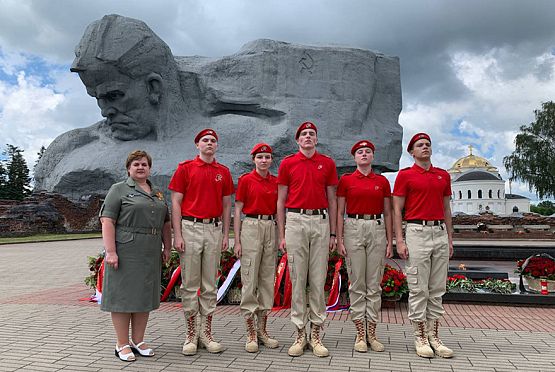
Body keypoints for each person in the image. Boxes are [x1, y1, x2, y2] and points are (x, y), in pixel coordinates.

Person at [99, 150, 172, 362]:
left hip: (150, 251)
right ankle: (121, 343)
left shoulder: (157, 192)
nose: (140, 167)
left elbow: (166, 223)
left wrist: (167, 248)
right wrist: (111, 251)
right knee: (123, 297)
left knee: (143, 296)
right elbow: (108, 221)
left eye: (144, 164)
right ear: (128, 168)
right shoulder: (119, 190)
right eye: (136, 164)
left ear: (149, 168)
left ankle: (138, 341)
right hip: (126, 251)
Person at [169, 128, 234, 355]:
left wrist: (226, 234)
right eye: (205, 140)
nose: (209, 143)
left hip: (214, 228)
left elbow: (227, 206)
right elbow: (176, 202)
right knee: (190, 284)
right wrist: (177, 234)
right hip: (190, 227)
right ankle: (190, 334)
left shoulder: (223, 172)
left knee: (209, 283)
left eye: (213, 141)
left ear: (217, 146)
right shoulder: (185, 169)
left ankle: (206, 333)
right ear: (197, 145)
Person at [276, 121, 338, 358]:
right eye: (304, 134)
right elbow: (280, 201)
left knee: (318, 277)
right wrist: (281, 234)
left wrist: (333, 232)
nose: (308, 137)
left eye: (312, 134)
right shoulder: (288, 163)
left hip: (320, 222)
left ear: (316, 139)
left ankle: (316, 334)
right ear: (298, 140)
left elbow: (332, 200)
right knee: (298, 279)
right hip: (296, 221)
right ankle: (299, 333)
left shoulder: (328, 164)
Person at [392, 133, 454, 358]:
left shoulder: (442, 176)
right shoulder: (405, 176)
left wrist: (449, 238)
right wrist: (400, 239)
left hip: (439, 232)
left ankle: (434, 336)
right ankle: (420, 337)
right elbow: (397, 209)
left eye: (428, 144)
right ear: (412, 152)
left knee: (437, 288)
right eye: (420, 145)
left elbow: (446, 208)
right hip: (416, 232)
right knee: (419, 287)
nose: (425, 147)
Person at [336, 140, 393, 353]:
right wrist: (340, 239)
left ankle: (372, 332)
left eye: (368, 151)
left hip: (376, 227)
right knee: (357, 281)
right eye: (360, 152)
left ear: (373, 156)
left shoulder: (382, 181)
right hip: (353, 227)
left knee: (374, 283)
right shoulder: (346, 180)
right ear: (354, 157)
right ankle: (360, 332)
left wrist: (390, 239)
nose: (364, 154)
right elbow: (340, 211)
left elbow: (388, 212)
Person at [234, 143, 279, 353]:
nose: (264, 160)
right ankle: (250, 332)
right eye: (260, 157)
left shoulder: (276, 181)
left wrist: (282, 236)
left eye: (267, 157)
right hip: (251, 225)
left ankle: (263, 329)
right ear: (254, 159)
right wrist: (237, 240)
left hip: (270, 225)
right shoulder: (246, 180)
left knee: (267, 279)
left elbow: (280, 210)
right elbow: (238, 208)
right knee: (250, 278)